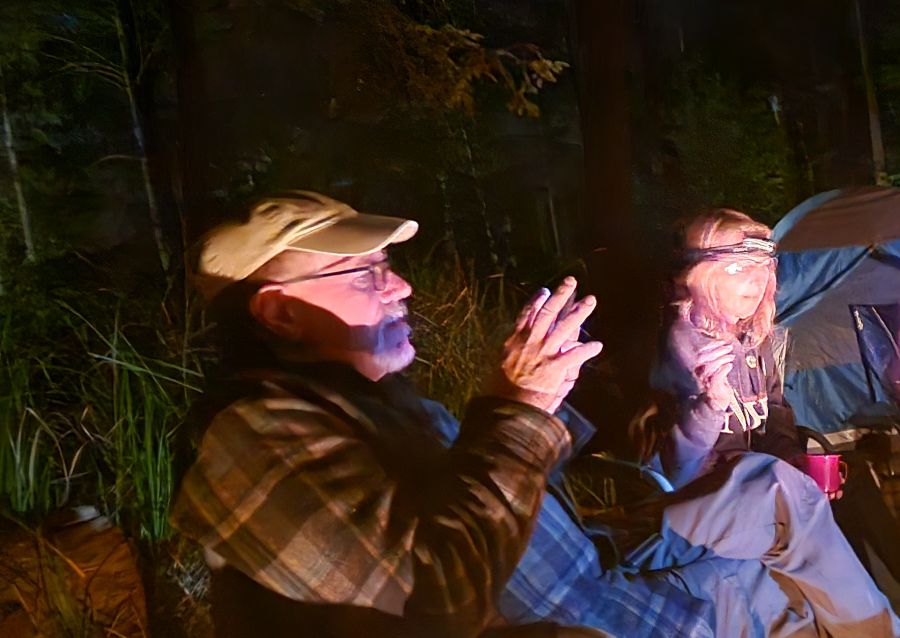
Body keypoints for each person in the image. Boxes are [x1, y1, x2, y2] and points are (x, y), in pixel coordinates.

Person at [172, 192, 900, 638]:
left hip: (606, 562)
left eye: (390, 267)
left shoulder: (383, 409)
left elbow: (508, 495)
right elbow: (438, 595)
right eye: (365, 273)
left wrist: (542, 401)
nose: (400, 288)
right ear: (280, 313)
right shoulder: (251, 441)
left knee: (788, 520)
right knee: (782, 575)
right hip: (594, 612)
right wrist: (518, 408)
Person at [651, 208, 803, 489]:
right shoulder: (682, 345)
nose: (757, 280)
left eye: (764, 267)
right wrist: (710, 406)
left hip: (762, 483)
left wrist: (790, 457)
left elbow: (774, 409)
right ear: (700, 275)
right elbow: (675, 465)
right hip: (708, 497)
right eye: (740, 268)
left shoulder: (755, 336)